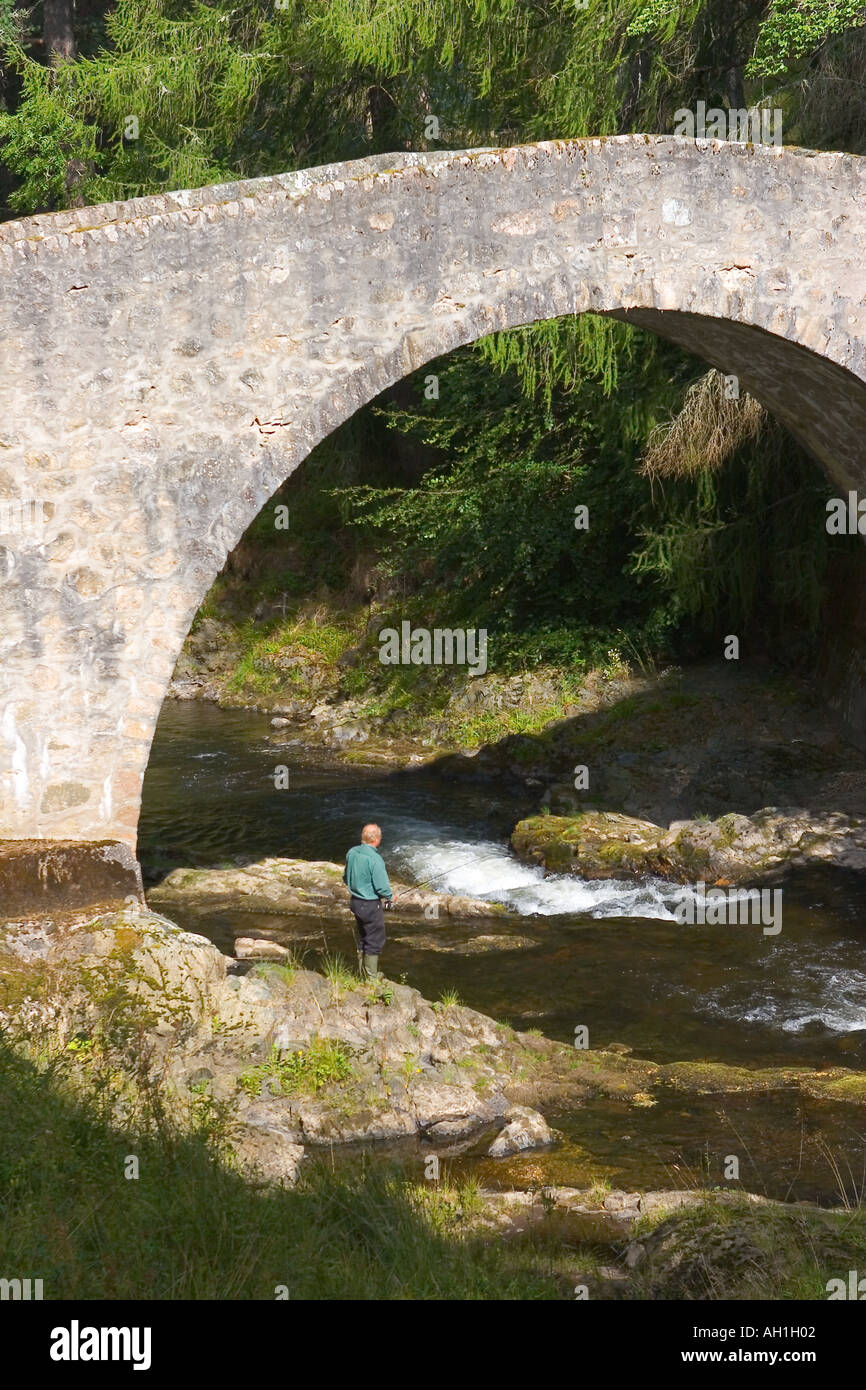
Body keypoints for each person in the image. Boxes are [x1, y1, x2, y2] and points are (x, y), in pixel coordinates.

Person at [343, 823, 393, 979]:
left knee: (363, 937)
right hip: (371, 905)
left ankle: (361, 973)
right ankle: (371, 979)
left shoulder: (352, 852)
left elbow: (346, 877)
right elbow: (382, 888)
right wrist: (391, 897)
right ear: (376, 840)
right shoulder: (375, 859)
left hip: (355, 903)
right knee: (375, 940)